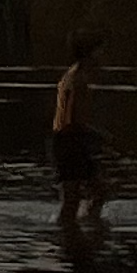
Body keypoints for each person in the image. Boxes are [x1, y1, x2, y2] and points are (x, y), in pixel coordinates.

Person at [51, 29, 110, 226]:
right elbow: (71, 120)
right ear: (90, 52)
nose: (103, 55)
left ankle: (86, 227)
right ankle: (68, 233)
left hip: (72, 141)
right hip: (69, 143)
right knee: (72, 200)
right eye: (100, 50)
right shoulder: (77, 80)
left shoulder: (73, 75)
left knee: (99, 192)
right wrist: (97, 134)